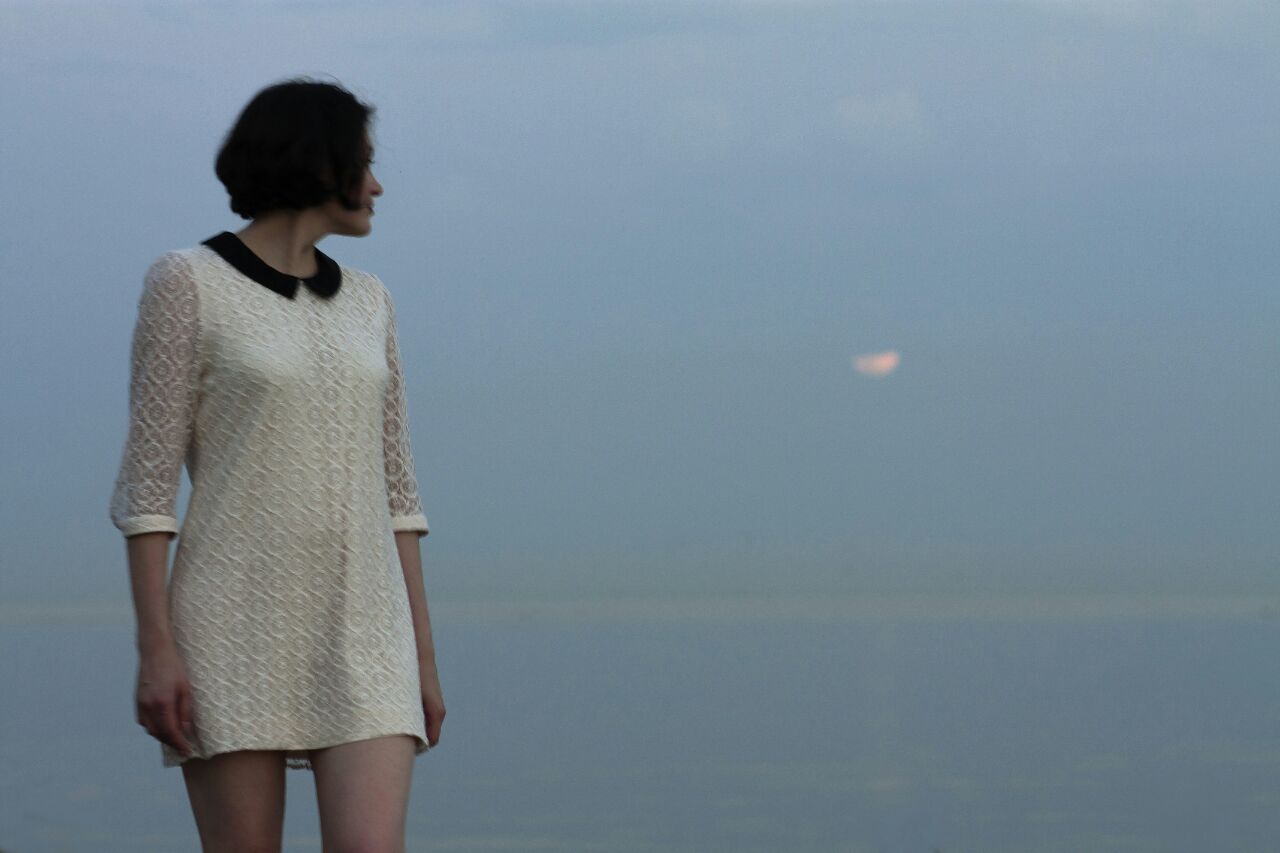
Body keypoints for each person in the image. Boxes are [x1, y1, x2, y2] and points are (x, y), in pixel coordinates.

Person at [108, 78, 445, 852]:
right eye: (364, 163)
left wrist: (422, 661)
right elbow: (147, 491)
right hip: (230, 625)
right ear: (318, 164)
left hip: (369, 630)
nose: (377, 185)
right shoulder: (186, 281)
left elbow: (400, 497)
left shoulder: (371, 301)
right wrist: (156, 648)